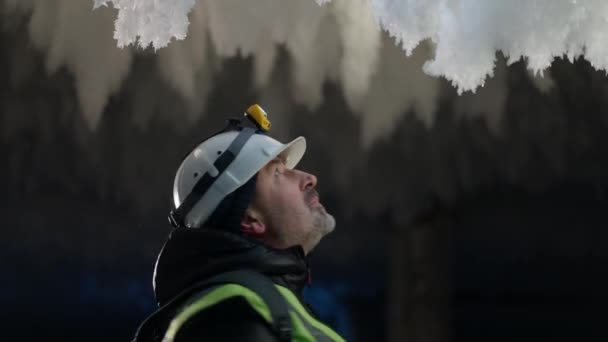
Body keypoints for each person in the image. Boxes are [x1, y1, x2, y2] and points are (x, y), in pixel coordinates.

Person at [133, 105, 345, 342]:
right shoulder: (230, 316)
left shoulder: (267, 305)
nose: (309, 178)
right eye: (277, 173)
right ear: (250, 219)